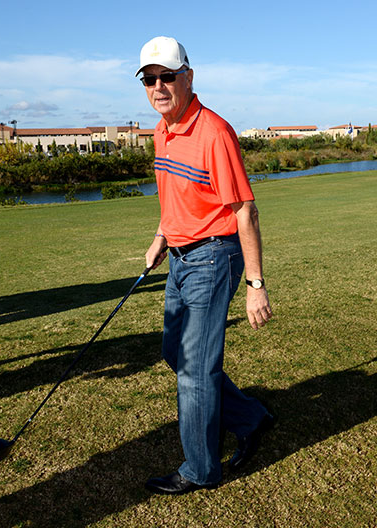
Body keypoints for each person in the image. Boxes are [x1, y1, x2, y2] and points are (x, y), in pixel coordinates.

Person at [136, 36, 274, 495]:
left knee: (195, 367)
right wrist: (160, 237)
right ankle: (250, 417)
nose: (158, 87)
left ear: (188, 78)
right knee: (174, 351)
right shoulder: (161, 129)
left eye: (167, 77)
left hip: (215, 255)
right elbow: (174, 197)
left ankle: (200, 468)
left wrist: (255, 284)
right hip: (178, 255)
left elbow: (245, 211)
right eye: (150, 79)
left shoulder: (214, 132)